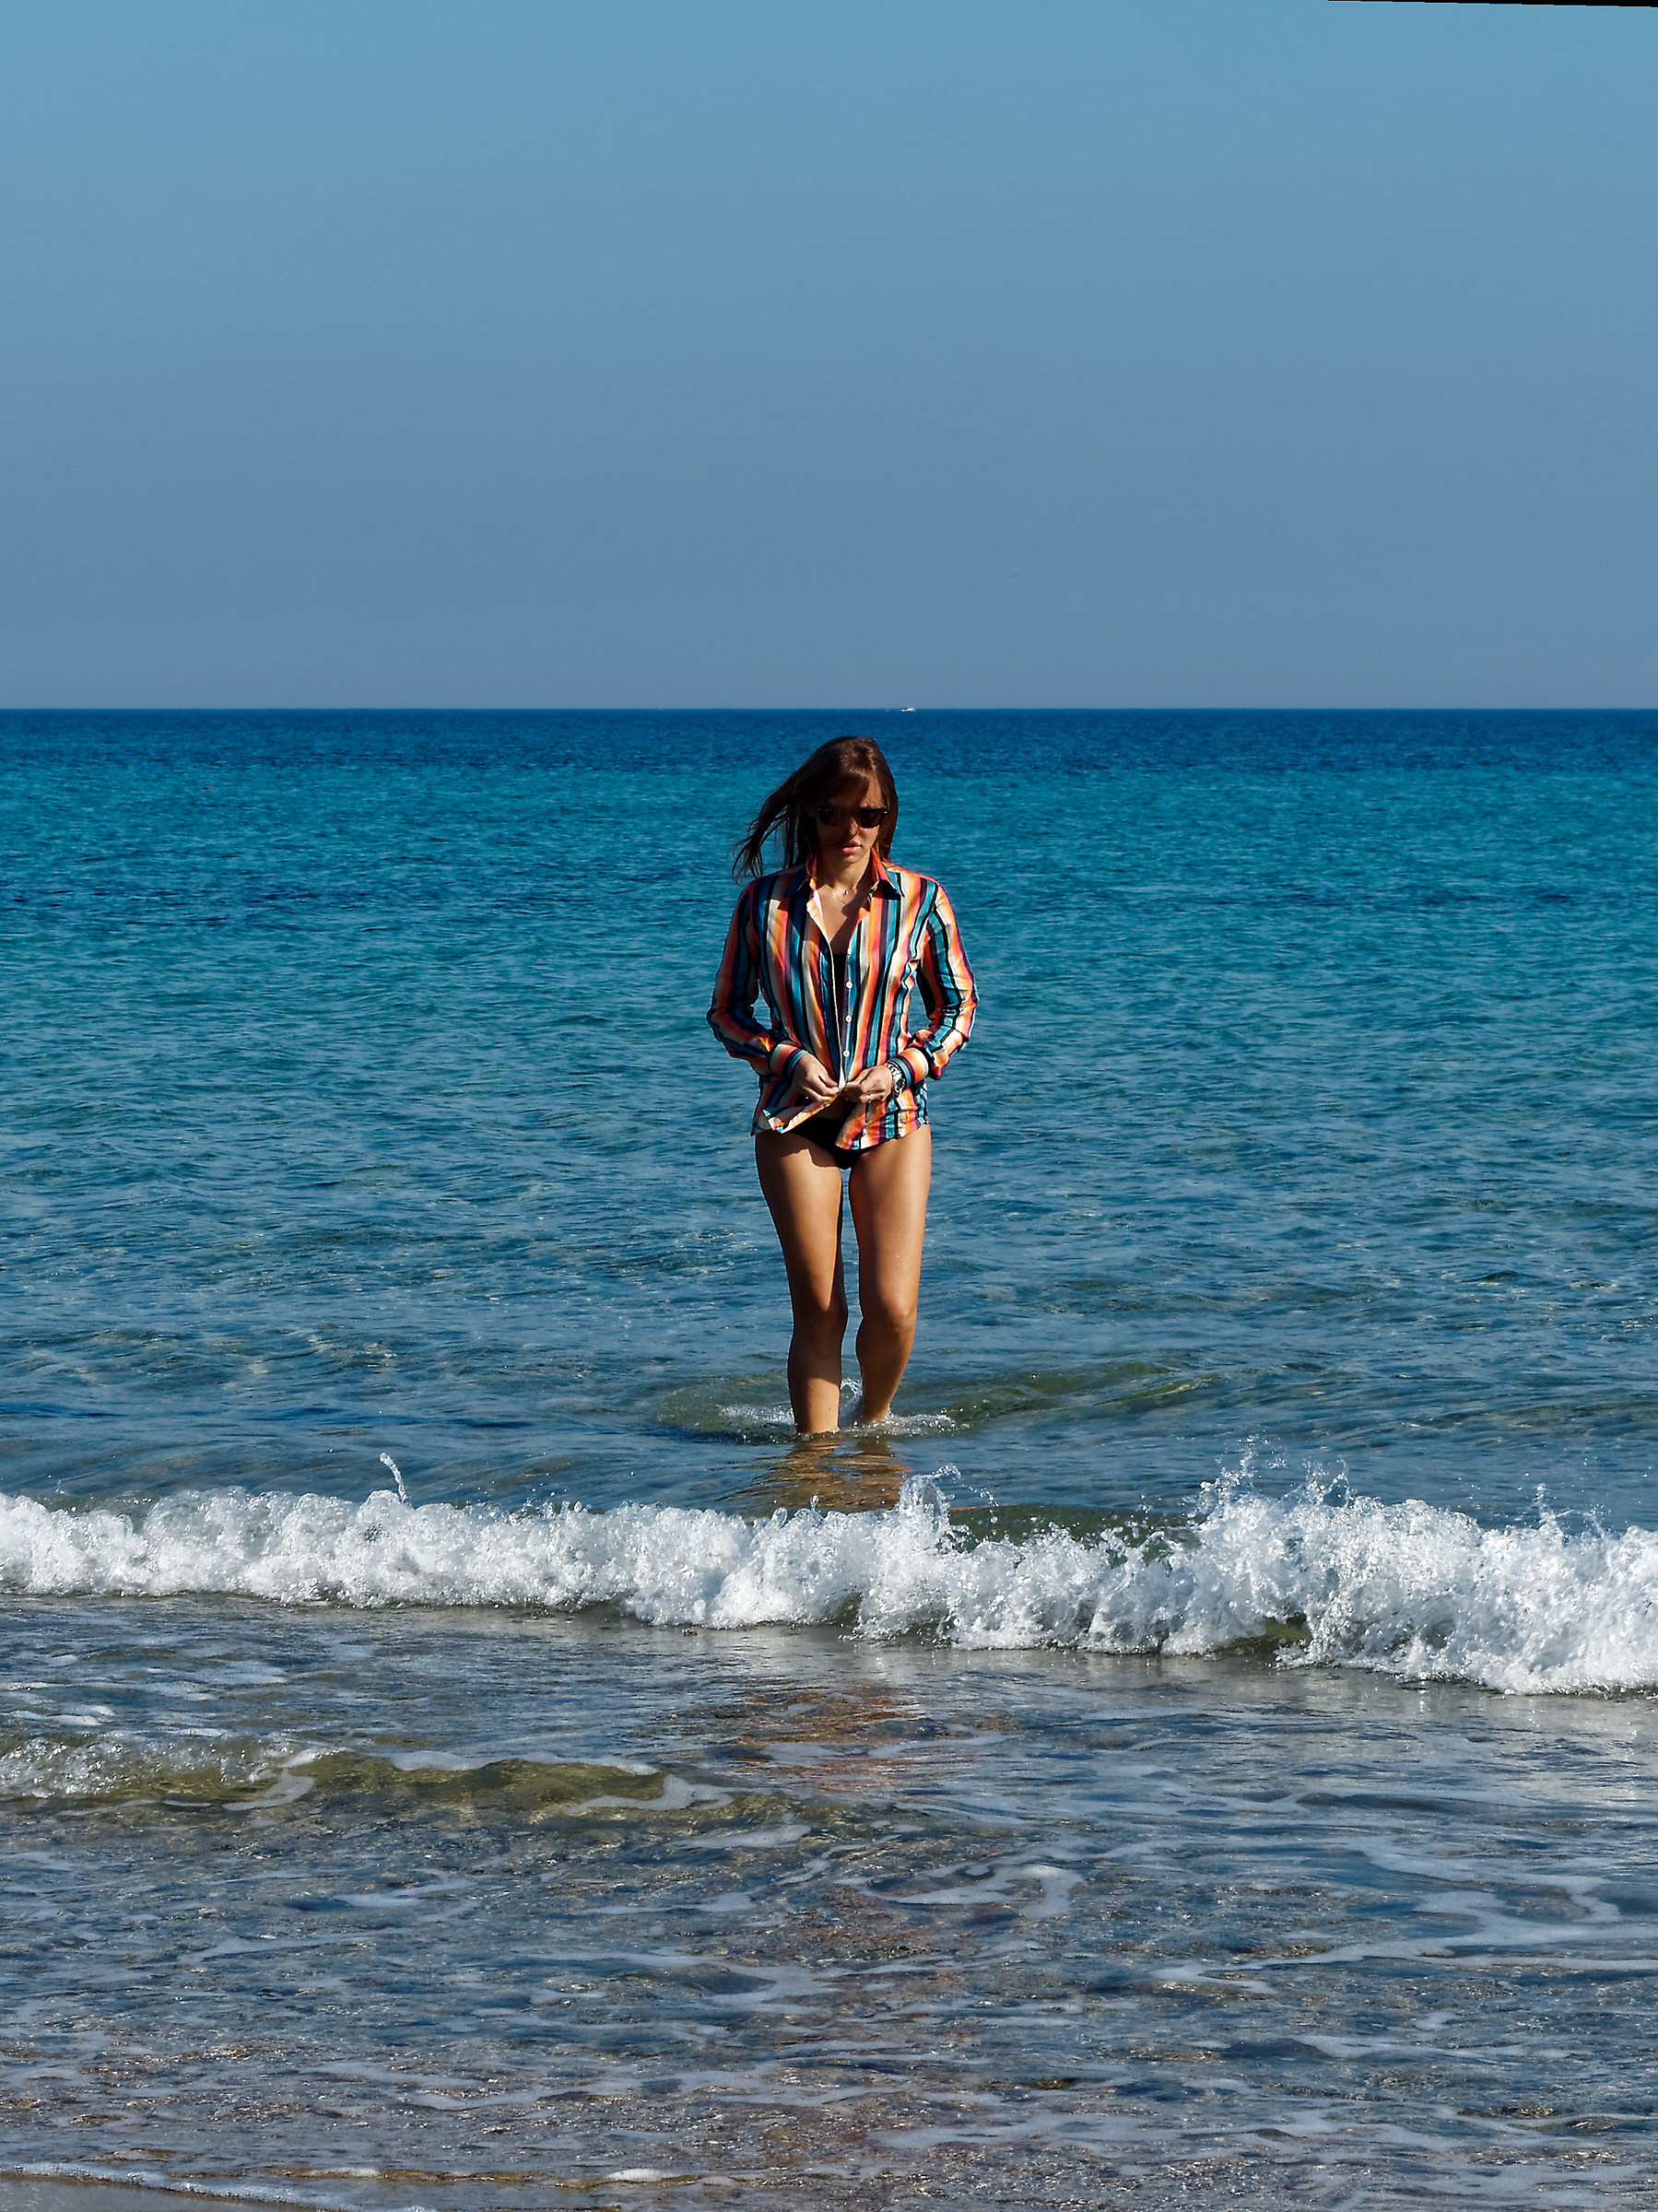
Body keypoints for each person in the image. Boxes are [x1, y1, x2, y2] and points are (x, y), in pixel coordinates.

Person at [708, 736, 976, 1435]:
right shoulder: (763, 904)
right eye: (832, 815)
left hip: (894, 1121)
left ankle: (871, 1425)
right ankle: (814, 1468)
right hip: (796, 1123)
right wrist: (788, 1058)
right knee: (820, 1310)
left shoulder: (920, 900)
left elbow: (957, 1007)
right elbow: (728, 1013)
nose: (850, 831)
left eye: (868, 815)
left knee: (891, 1308)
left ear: (887, 816)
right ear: (809, 815)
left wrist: (900, 1069)